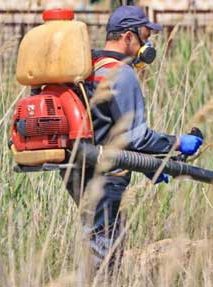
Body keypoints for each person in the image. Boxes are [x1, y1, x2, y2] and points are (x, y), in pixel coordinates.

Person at [60, 6, 203, 267]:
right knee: (104, 255)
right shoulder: (122, 73)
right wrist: (179, 142)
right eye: (144, 36)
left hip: (76, 169)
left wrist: (149, 163)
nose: (147, 44)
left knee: (98, 240)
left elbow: (109, 130)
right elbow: (137, 137)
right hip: (106, 177)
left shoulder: (89, 65)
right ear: (127, 36)